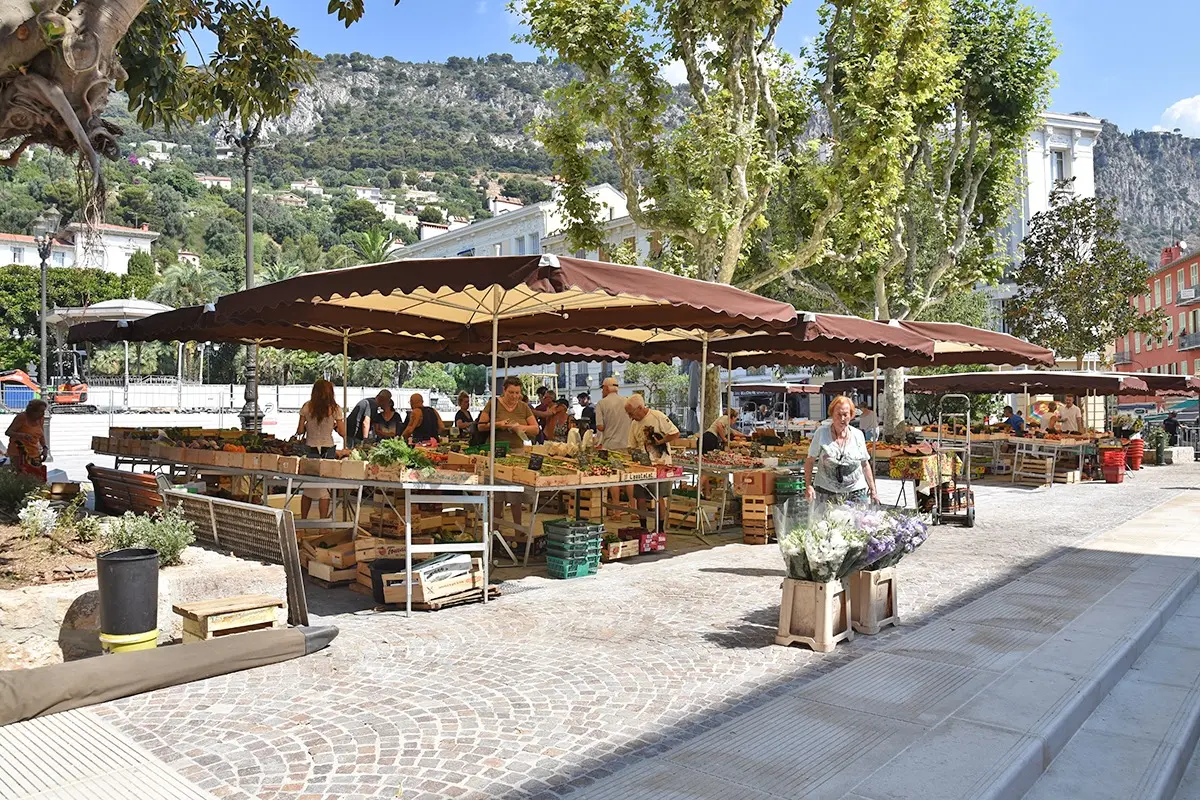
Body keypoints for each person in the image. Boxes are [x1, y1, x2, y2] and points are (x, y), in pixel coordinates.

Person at [476, 376, 540, 525]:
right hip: (497, 452)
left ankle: (518, 528)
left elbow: (536, 429)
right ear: (504, 390)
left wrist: (520, 427)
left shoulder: (523, 407)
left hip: (517, 452)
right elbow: (481, 425)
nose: (514, 396)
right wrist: (499, 425)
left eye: (517, 393)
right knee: (497, 493)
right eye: (511, 392)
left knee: (516, 493)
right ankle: (495, 528)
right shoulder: (493, 404)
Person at [804, 395, 878, 506]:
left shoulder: (858, 435)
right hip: (825, 491)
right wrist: (808, 485)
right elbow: (810, 461)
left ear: (851, 415)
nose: (842, 419)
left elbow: (864, 463)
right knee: (826, 518)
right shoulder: (821, 433)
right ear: (832, 414)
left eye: (845, 415)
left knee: (858, 517)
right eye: (838, 414)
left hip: (855, 491)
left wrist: (873, 489)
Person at [626, 394, 680, 531]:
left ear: (640, 408)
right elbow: (631, 445)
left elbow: (675, 433)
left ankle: (659, 529)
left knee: (658, 497)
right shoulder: (634, 424)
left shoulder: (657, 416)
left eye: (631, 413)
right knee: (640, 497)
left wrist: (661, 441)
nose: (630, 417)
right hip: (642, 466)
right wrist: (634, 454)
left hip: (661, 465)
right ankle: (643, 528)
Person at [296, 380, 346, 520]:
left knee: (308, 486)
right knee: (325, 488)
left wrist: (308, 425)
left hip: (311, 448)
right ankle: (323, 525)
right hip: (328, 448)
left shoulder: (307, 407)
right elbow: (343, 432)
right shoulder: (335, 409)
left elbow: (299, 431)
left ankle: (303, 522)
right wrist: (333, 425)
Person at [596, 376, 633, 517]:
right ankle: (633, 509)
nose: (602, 391)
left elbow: (600, 427)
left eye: (602, 389)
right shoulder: (627, 402)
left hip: (610, 445)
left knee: (614, 477)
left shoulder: (601, 403)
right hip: (627, 444)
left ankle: (617, 511)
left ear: (606, 388)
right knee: (629, 477)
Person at [4, 399, 48, 481]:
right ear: (32, 411)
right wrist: (22, 435)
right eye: (41, 411)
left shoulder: (40, 419)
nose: (43, 414)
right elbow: (8, 432)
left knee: (37, 476)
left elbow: (41, 435)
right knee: (21, 477)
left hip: (34, 452)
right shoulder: (22, 417)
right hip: (19, 453)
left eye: (43, 411)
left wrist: (45, 447)